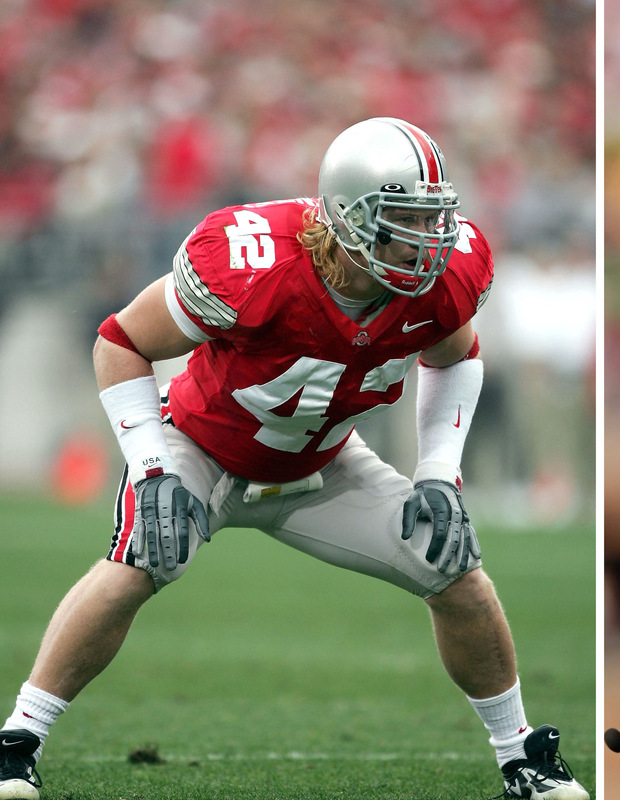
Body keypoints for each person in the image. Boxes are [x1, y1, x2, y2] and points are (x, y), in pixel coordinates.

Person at [0, 117, 588, 800]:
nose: (425, 241)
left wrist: (438, 473)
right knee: (137, 563)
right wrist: (152, 467)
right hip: (203, 448)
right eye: (401, 219)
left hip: (325, 463)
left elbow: (457, 359)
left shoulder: (441, 275)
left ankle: (522, 758)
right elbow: (118, 340)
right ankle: (17, 741)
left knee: (456, 569)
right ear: (345, 216)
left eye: (430, 219)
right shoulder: (253, 261)